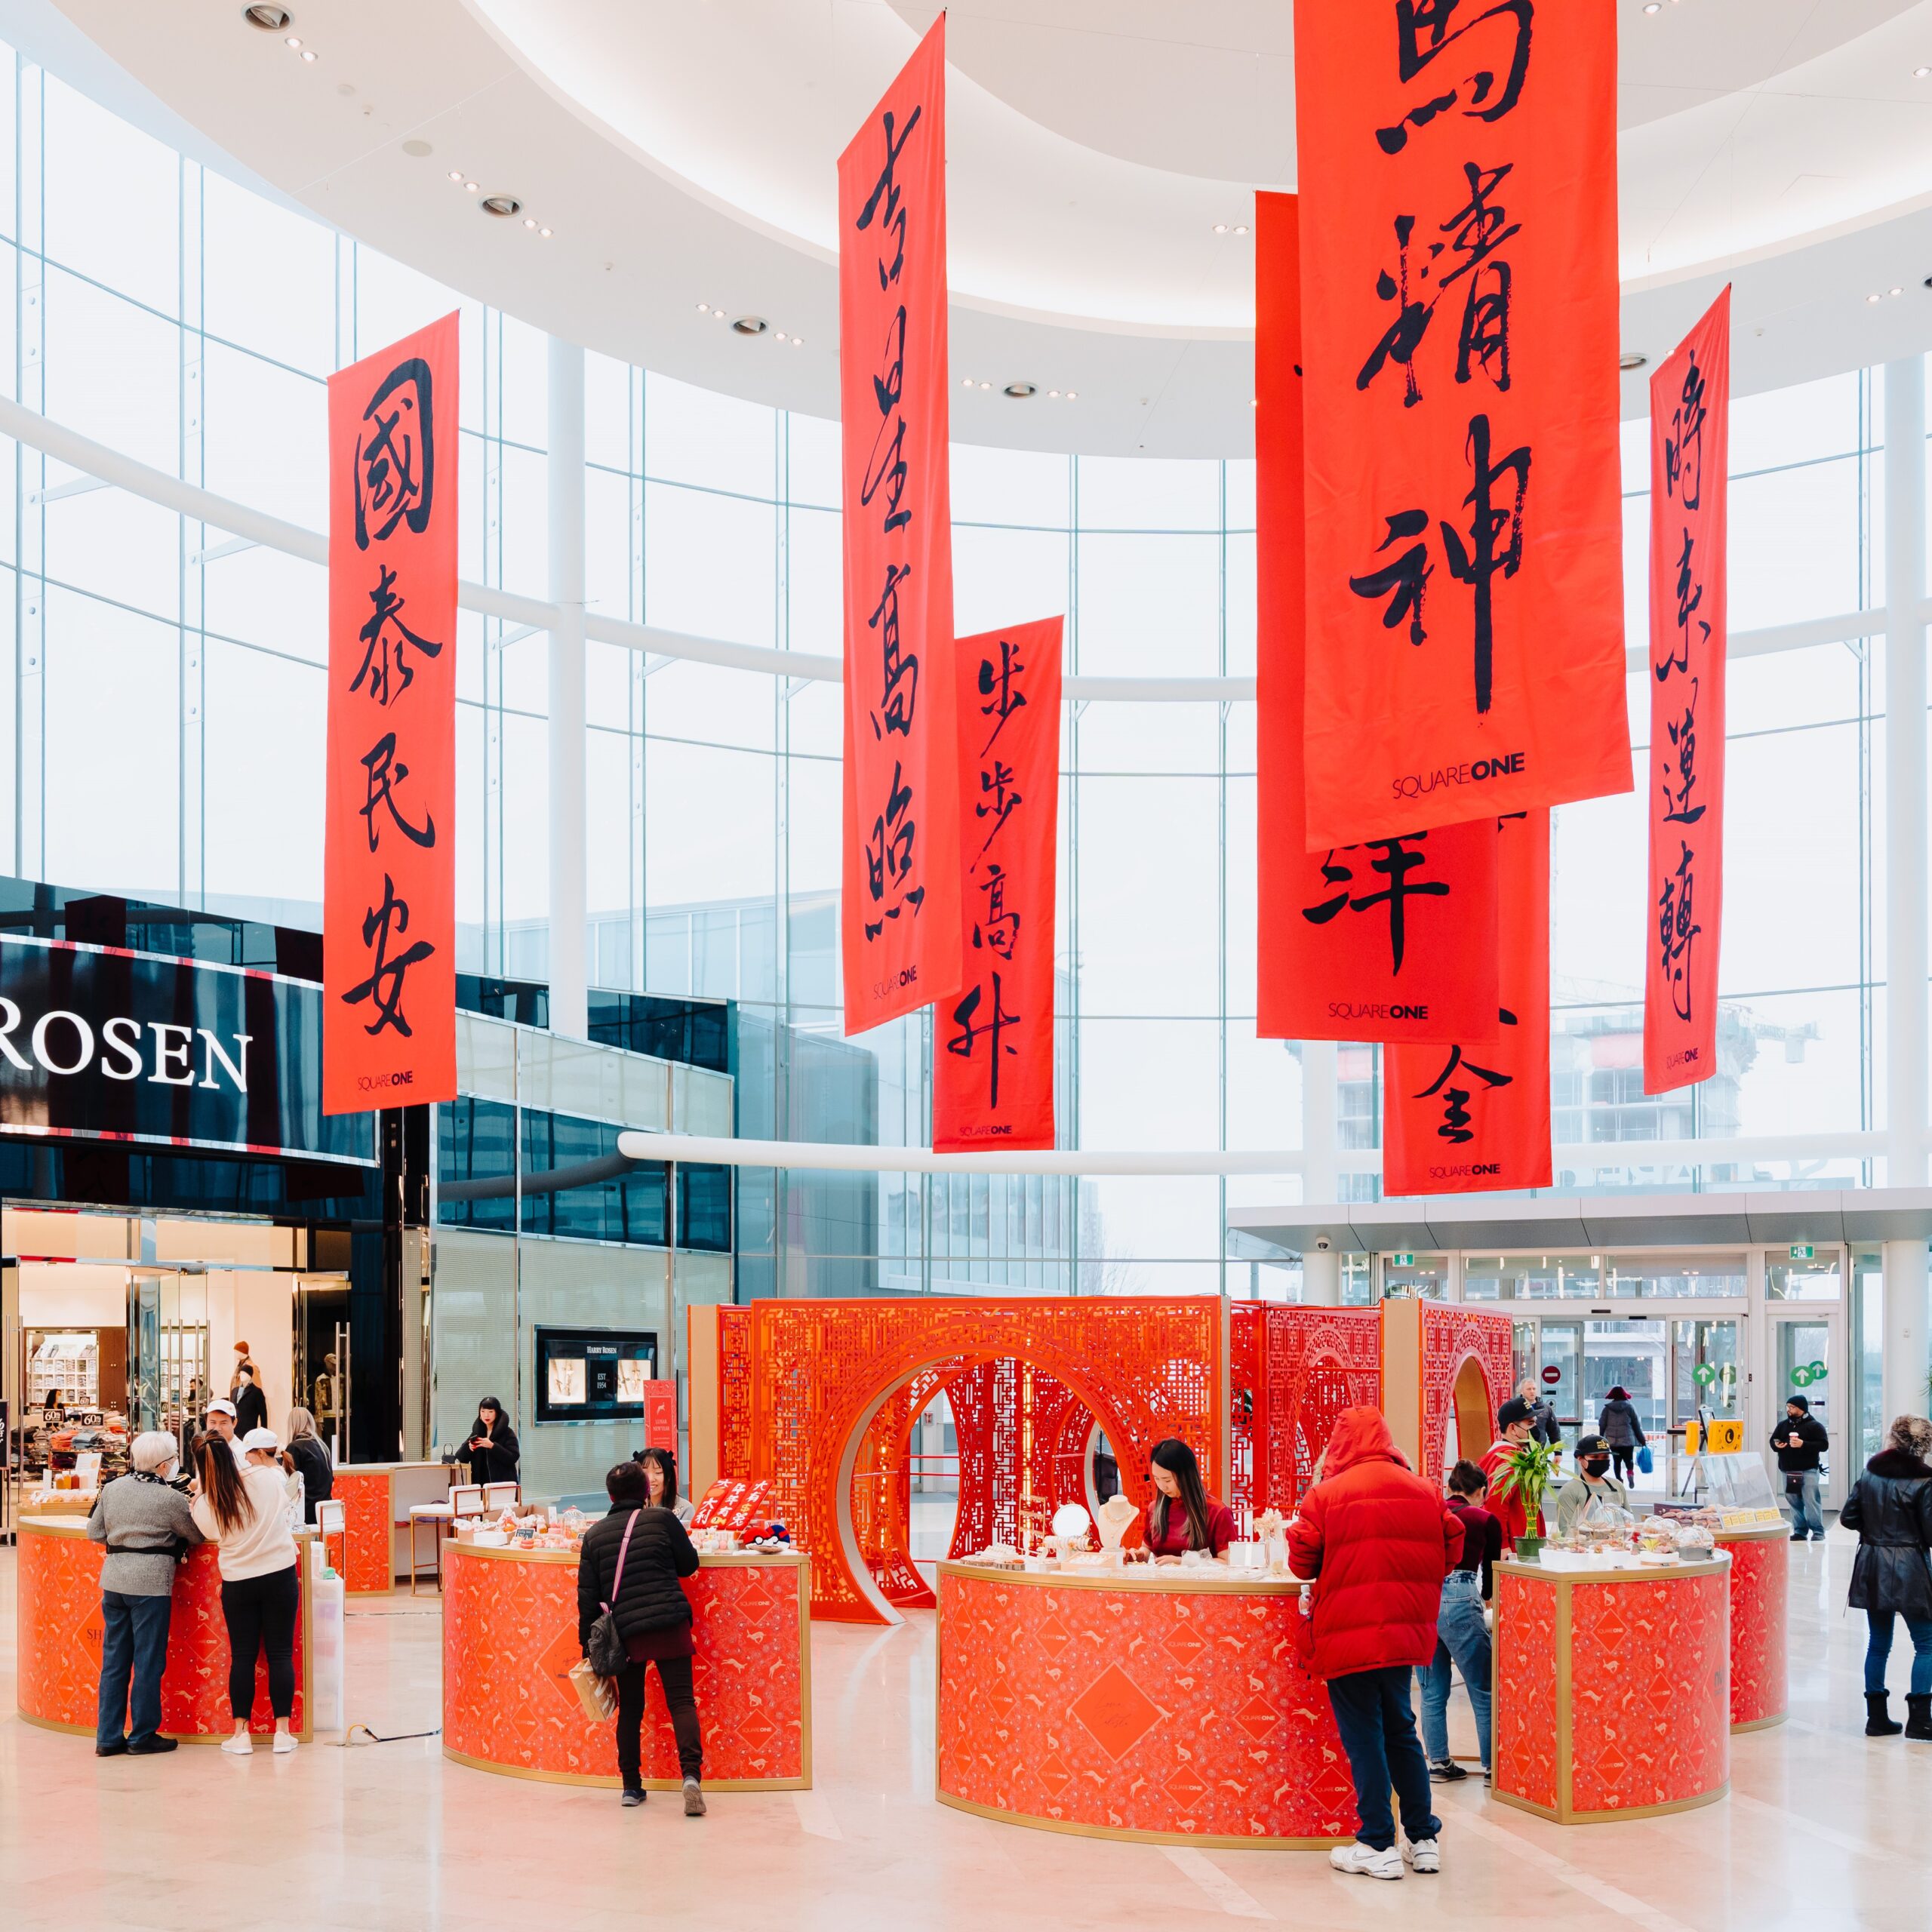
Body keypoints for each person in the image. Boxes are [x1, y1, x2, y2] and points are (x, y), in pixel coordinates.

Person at [1289, 1407, 1463, 1882]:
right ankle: (1423, 1839)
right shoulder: (1424, 1488)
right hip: (1406, 1630)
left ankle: (1376, 1843)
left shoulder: (1327, 1494)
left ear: (1340, 1443)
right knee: (1401, 1730)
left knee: (1363, 1735)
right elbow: (1453, 1544)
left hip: (1347, 1632)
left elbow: (1301, 1564)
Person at [577, 1460, 706, 1813]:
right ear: (645, 1490)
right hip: (669, 1620)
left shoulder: (594, 1535)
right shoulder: (664, 1519)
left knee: (631, 1709)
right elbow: (689, 1564)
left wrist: (586, 1649)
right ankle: (691, 1777)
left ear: (609, 1495)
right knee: (681, 1701)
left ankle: (631, 1788)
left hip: (626, 1631)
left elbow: (587, 1600)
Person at [87, 1431, 203, 1758]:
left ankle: (108, 1737)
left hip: (114, 1580)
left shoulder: (112, 1489)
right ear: (165, 1465)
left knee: (114, 1662)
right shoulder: (170, 1498)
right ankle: (142, 1735)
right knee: (148, 1662)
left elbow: (94, 1531)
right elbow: (195, 1535)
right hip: (151, 1584)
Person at [189, 1431, 300, 1755]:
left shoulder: (208, 1502)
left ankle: (241, 1734)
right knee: (280, 1654)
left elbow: (208, 1533)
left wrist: (199, 1498)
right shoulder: (267, 1478)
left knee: (243, 1657)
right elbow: (287, 1502)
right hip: (280, 1574)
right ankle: (283, 1732)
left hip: (238, 1581)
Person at [1839, 1414, 1932, 1739]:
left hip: (1872, 1564)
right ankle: (1920, 1721)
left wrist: (1877, 1531)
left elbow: (1848, 1518)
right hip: (1910, 1568)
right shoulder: (1925, 1481)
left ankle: (1876, 1718)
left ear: (1893, 1438)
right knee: (1927, 1643)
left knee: (1878, 1644)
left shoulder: (1869, 1473)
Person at [1418, 1460, 1500, 1784]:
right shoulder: (1484, 1519)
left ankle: (1438, 1763)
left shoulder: (1429, 1513)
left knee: (1432, 1691)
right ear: (1480, 1492)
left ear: (1451, 1488)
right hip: (1460, 1596)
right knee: (1482, 1687)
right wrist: (1487, 1598)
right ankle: (1493, 1767)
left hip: (1426, 1599)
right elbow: (1491, 1571)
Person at [1141, 1438, 1235, 1559]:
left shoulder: (1217, 1511)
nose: (1162, 1486)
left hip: (1200, 1578)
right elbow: (1146, 1548)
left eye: (1167, 1480)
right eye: (1156, 1479)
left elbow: (1228, 1562)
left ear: (1186, 1476)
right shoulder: (1154, 1509)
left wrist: (1183, 1562)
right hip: (1161, 1578)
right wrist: (1138, 1555)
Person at [1478, 1398, 1543, 1552]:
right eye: (1530, 1424)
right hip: (1515, 1549)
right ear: (1513, 1428)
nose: (1535, 1428)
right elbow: (1495, 1503)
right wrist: (1502, 1545)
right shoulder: (1509, 1460)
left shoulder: (1502, 1456)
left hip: (1519, 1545)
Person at [1772, 1394, 1829, 1541]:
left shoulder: (1815, 1426)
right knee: (1793, 1501)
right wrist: (1776, 1445)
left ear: (1802, 1409)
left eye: (1792, 1407)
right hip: (1787, 1470)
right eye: (1788, 1407)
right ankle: (1800, 1531)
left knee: (1811, 1500)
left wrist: (1804, 1444)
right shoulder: (1783, 1425)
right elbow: (1773, 1440)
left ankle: (1818, 1531)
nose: (1789, 1410)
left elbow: (1823, 1445)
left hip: (1808, 1469)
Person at [1553, 1433, 1629, 1536]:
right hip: (1585, 1549)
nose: (1601, 1461)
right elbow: (1567, 1532)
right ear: (1580, 1459)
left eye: (1605, 1457)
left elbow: (1629, 1523)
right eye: (1595, 1457)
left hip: (1616, 1547)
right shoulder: (1570, 1490)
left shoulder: (1617, 1486)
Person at [284, 1407, 333, 1524]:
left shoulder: (295, 1447)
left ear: (292, 1424)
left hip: (307, 1510)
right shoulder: (322, 1447)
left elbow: (289, 1483)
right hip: (324, 1509)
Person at [465, 1398, 521, 1487]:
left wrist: (492, 1446)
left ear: (497, 1413)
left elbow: (514, 1457)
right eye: (483, 1411)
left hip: (503, 1484)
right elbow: (460, 1457)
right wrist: (469, 1447)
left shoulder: (507, 1432)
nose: (486, 1415)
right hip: (481, 1485)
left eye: (490, 1412)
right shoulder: (477, 1432)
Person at [1598, 1386, 1647, 1484]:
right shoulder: (1630, 1407)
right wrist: (1642, 1439)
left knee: (1617, 1462)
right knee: (1629, 1460)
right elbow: (1636, 1425)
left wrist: (1601, 1439)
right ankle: (1630, 1473)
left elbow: (1602, 1425)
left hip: (1613, 1442)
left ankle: (1619, 1480)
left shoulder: (1607, 1409)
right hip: (1627, 1441)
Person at [635, 1445, 695, 1525]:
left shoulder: (685, 1509)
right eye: (644, 1473)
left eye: (658, 1472)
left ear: (669, 1476)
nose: (651, 1479)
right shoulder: (632, 1506)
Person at [1517, 1377, 1562, 1451]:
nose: (1532, 1391)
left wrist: (1558, 1452)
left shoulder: (1545, 1408)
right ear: (1522, 1391)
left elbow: (1554, 1430)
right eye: (1529, 1389)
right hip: (1519, 1451)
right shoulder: (1514, 1407)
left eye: (1534, 1389)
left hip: (1539, 1452)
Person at [202, 1397, 245, 1464]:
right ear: (206, 1422)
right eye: (213, 1422)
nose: (217, 1429)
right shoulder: (204, 1449)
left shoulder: (243, 1454)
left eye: (223, 1423)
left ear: (234, 1423)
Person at [232, 1361, 268, 1438]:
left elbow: (263, 1414)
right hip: (234, 1430)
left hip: (249, 1431)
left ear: (250, 1375)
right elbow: (231, 1409)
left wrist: (264, 1432)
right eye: (241, 1373)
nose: (242, 1376)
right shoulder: (235, 1391)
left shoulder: (257, 1392)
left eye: (244, 1373)